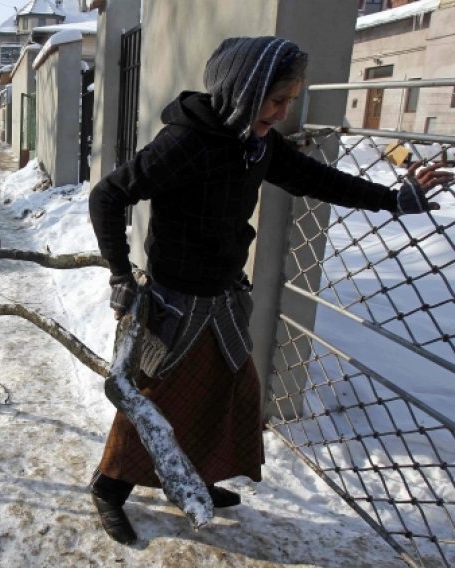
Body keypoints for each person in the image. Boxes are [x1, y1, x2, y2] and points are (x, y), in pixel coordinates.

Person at [87, 36, 453, 545]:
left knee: (224, 390)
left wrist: (396, 198)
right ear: (242, 90)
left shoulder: (254, 143)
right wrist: (121, 274)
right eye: (276, 100)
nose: (283, 114)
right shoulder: (186, 142)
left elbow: (321, 180)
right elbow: (109, 194)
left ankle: (189, 477)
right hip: (177, 301)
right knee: (156, 398)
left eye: (290, 101)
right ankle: (109, 489)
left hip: (224, 295)